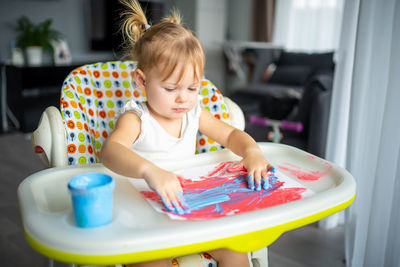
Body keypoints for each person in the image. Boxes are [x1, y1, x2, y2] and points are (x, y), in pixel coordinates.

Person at [100, 0, 271, 266]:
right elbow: (110, 151)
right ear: (142, 81)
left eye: (192, 88)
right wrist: (149, 171)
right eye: (171, 89)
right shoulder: (137, 119)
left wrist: (252, 151)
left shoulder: (194, 114)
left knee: (236, 254)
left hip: (189, 212)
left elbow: (230, 135)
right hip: (144, 218)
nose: (183, 99)